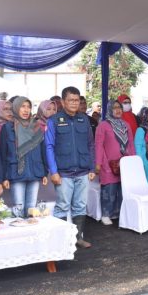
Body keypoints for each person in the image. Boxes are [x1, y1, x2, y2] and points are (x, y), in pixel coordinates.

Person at [46, 86, 96, 248]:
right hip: (63, 172)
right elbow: (49, 147)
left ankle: (78, 238)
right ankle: (60, 240)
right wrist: (53, 171)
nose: (74, 103)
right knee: (62, 206)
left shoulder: (84, 119)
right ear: (63, 102)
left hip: (82, 171)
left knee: (80, 205)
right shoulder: (54, 121)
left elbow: (90, 144)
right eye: (71, 100)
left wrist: (92, 167)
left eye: (77, 100)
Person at [0, 97, 48, 218]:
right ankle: (19, 235)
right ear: (16, 108)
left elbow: (43, 151)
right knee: (18, 208)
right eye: (22, 106)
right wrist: (4, 177)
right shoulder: (7, 128)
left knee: (32, 209)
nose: (26, 110)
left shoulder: (36, 127)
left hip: (35, 172)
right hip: (16, 172)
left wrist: (44, 173)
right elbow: (2, 154)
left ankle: (30, 236)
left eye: (28, 107)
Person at [95, 100, 135, 225]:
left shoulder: (126, 124)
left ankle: (118, 212)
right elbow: (99, 145)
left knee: (122, 189)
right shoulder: (103, 125)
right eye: (115, 108)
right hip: (108, 162)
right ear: (109, 109)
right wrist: (99, 163)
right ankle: (106, 214)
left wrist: (134, 161)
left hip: (125, 162)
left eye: (120, 108)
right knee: (109, 188)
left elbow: (131, 145)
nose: (118, 110)